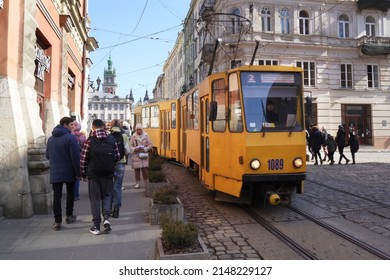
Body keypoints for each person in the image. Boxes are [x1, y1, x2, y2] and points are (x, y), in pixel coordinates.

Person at [80, 119, 120, 235]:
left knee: (95, 199)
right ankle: (106, 219)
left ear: (93, 128)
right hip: (108, 174)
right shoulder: (111, 140)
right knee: (107, 196)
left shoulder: (89, 141)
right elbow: (117, 156)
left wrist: (83, 174)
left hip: (94, 175)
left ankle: (96, 226)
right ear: (103, 127)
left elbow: (83, 159)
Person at [46, 117, 80, 231]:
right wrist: (79, 172)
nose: (73, 127)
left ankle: (57, 221)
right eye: (71, 125)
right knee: (70, 193)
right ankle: (69, 216)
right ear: (65, 125)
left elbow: (47, 156)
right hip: (69, 170)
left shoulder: (50, 139)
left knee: (57, 196)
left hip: (55, 171)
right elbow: (75, 157)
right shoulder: (70, 137)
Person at [110, 119, 130, 218]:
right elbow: (127, 150)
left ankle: (107, 208)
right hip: (120, 163)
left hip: (109, 164)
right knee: (117, 187)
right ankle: (116, 210)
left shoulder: (108, 135)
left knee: (109, 187)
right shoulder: (125, 135)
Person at [130, 123, 153, 189]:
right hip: (136, 155)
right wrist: (135, 149)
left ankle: (146, 182)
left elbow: (150, 144)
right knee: (136, 170)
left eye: (139, 129)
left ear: (142, 129)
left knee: (144, 169)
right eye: (137, 129)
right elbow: (130, 145)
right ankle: (137, 183)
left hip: (143, 155)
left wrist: (145, 149)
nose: (138, 131)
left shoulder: (146, 135)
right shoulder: (133, 136)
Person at [71, 120, 86, 201]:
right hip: (80, 159)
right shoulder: (83, 137)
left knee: (70, 177)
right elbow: (85, 148)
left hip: (70, 159)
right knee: (77, 177)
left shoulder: (69, 136)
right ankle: (76, 195)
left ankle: (71, 194)